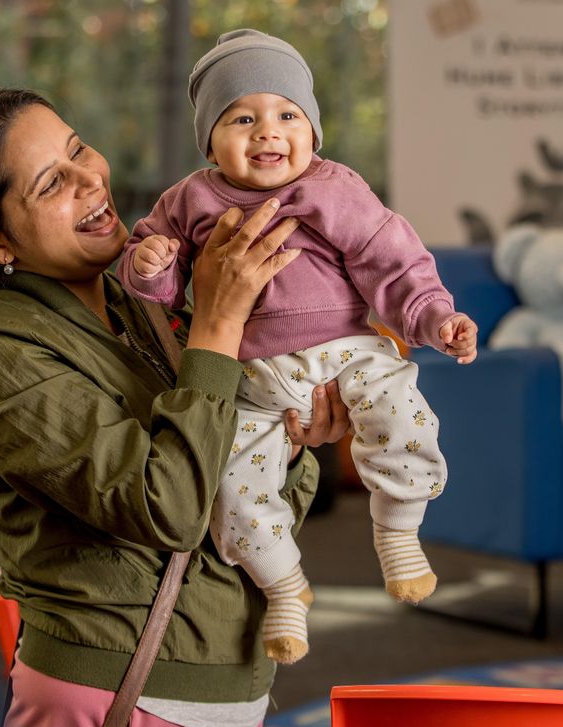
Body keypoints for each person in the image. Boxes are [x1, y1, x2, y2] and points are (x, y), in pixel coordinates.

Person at [0, 88, 351, 727]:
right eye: (53, 181)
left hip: (233, 682)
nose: (92, 177)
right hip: (111, 692)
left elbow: (245, 512)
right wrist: (219, 326)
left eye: (79, 148)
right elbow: (168, 509)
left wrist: (298, 440)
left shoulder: (146, 301)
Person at [118, 29, 479, 665]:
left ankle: (397, 528)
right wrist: (149, 262)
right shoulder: (191, 200)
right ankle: (284, 586)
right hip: (250, 376)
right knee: (232, 486)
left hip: (347, 351)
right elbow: (161, 281)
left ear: (312, 131)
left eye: (288, 115)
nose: (267, 132)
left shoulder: (332, 188)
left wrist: (434, 317)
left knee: (404, 415)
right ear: (209, 139)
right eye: (242, 117)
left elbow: (390, 263)